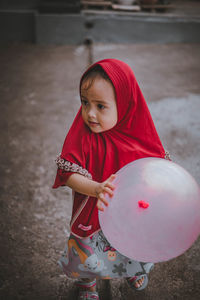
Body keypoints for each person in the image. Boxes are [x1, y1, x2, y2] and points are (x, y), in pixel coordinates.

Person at [53, 59, 170, 300]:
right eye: (85, 103)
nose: (90, 113)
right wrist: (96, 188)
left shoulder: (139, 134)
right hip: (93, 208)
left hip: (127, 210)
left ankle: (130, 270)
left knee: (131, 243)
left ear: (125, 104)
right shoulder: (83, 135)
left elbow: (155, 169)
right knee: (88, 248)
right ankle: (87, 282)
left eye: (101, 106)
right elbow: (69, 174)